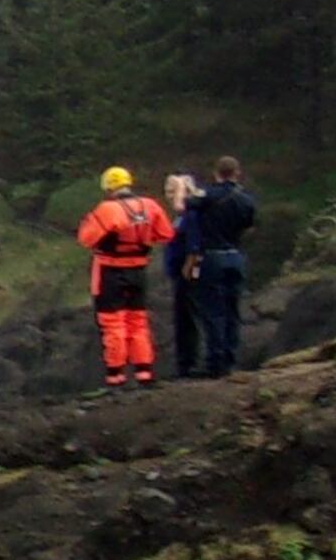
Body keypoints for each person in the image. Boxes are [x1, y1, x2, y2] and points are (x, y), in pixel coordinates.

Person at [74, 166, 174, 391]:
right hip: (138, 272)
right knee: (138, 322)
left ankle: (115, 376)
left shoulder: (108, 209)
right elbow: (166, 234)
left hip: (110, 272)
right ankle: (144, 372)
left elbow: (86, 239)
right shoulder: (150, 206)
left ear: (109, 187)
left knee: (113, 324)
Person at [183, 155, 261, 378]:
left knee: (213, 311)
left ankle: (215, 362)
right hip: (236, 256)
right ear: (237, 173)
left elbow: (186, 204)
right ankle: (230, 359)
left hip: (211, 257)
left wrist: (186, 187)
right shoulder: (246, 199)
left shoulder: (208, 194)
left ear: (216, 173)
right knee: (233, 310)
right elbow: (249, 225)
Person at [159, 172, 204, 382]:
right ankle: (184, 362)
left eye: (172, 191)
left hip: (188, 273)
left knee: (189, 317)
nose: (169, 196)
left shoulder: (190, 213)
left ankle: (191, 363)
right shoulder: (179, 217)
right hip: (178, 272)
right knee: (182, 317)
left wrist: (189, 267)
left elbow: (194, 243)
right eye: (168, 191)